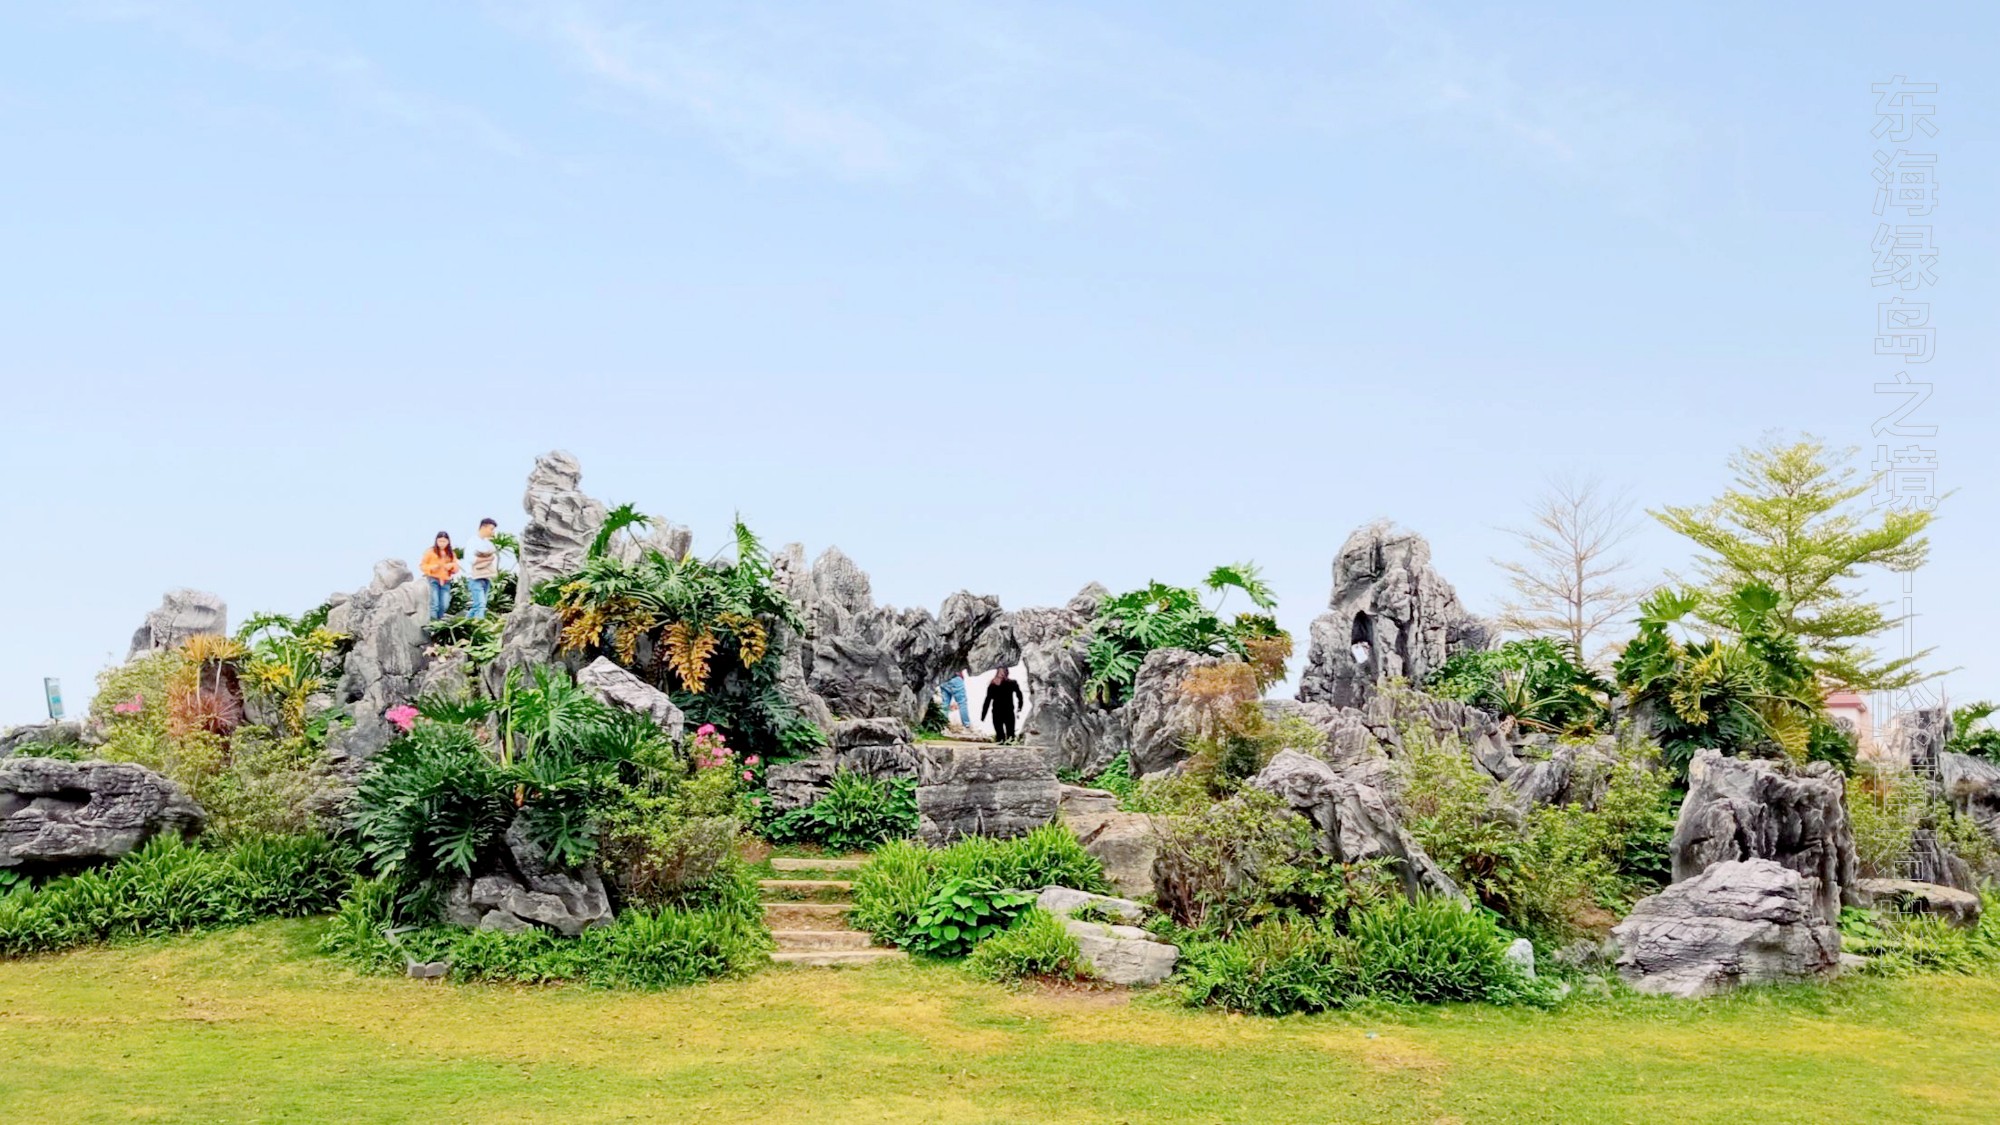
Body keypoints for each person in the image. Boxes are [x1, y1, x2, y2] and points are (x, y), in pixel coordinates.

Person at [419, 531, 459, 621]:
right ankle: (433, 623)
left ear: (448, 542)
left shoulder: (451, 553)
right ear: (436, 541)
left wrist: (451, 566)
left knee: (444, 605)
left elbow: (456, 568)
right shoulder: (430, 552)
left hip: (446, 581)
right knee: (434, 603)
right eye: (440, 541)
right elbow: (422, 566)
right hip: (433, 579)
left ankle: (439, 622)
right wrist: (431, 567)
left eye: (444, 541)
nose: (442, 543)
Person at [466, 518, 501, 619]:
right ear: (483, 527)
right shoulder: (472, 541)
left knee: (478, 605)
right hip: (474, 577)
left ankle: (464, 625)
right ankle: (479, 625)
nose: (492, 532)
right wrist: (487, 559)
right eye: (491, 529)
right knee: (480, 605)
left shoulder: (488, 543)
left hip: (486, 576)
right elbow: (471, 559)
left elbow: (493, 556)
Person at [981, 666, 1025, 744]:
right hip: (997, 712)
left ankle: (1011, 750)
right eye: (1000, 672)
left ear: (1006, 673)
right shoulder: (992, 685)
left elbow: (1019, 695)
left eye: (1003, 672)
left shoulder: (1011, 683)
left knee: (1010, 735)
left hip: (1008, 711)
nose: (1001, 674)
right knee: (1000, 735)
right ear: (997, 672)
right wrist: (983, 715)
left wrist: (1019, 707)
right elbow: (987, 700)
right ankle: (1001, 749)